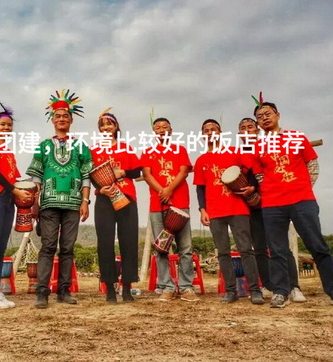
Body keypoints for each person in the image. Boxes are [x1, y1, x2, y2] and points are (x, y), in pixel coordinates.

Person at [251, 95, 333, 308]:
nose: (264, 118)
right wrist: (269, 192)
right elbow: (260, 176)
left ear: (278, 115)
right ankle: (280, 292)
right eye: (260, 117)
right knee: (276, 249)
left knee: (317, 245)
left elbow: (312, 164)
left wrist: (304, 188)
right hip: (272, 204)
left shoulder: (296, 137)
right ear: (258, 124)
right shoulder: (258, 146)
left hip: (302, 200)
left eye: (268, 114)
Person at [26, 90, 93, 309]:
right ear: (52, 120)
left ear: (71, 120)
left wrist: (85, 201)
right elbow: (36, 175)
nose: (62, 119)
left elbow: (85, 176)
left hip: (73, 203)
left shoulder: (81, 146)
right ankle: (42, 292)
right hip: (48, 203)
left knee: (68, 247)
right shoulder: (44, 146)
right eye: (58, 116)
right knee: (47, 246)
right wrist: (34, 200)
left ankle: (64, 290)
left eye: (65, 116)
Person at [194, 119, 264, 305]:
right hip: (215, 210)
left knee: (246, 250)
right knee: (223, 252)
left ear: (220, 133)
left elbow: (254, 171)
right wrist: (202, 210)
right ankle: (230, 290)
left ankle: (255, 290)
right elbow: (200, 188)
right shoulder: (201, 160)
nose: (210, 133)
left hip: (237, 208)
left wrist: (252, 188)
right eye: (206, 130)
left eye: (214, 129)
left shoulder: (235, 152)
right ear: (203, 136)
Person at [238, 117, 306, 302]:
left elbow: (272, 172)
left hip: (274, 203)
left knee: (280, 246)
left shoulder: (268, 145)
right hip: (252, 207)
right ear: (239, 134)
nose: (247, 130)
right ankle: (270, 285)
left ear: (257, 129)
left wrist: (256, 188)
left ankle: (293, 286)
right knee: (259, 248)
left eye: (250, 127)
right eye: (242, 128)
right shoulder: (237, 153)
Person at [0, 102, 32, 309]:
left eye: (9, 125)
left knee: (1, 246)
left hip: (9, 198)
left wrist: (27, 189)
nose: (6, 128)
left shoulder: (8, 151)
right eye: (2, 125)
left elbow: (14, 177)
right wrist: (15, 190)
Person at [142, 117, 198, 302]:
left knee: (185, 247)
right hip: (157, 205)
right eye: (157, 127)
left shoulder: (179, 149)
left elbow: (183, 171)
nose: (161, 130)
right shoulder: (148, 152)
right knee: (162, 248)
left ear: (171, 131)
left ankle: (186, 286)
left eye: (164, 127)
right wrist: (162, 191)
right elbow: (147, 174)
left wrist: (169, 189)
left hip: (180, 204)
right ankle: (166, 286)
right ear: (153, 132)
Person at [91, 109, 141, 303]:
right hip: (104, 199)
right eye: (102, 125)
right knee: (105, 242)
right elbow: (89, 175)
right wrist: (100, 189)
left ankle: (127, 287)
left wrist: (122, 173)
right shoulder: (94, 150)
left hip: (126, 197)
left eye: (109, 124)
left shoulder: (126, 148)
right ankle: (110, 287)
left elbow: (137, 171)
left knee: (128, 241)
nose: (106, 127)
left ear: (116, 127)